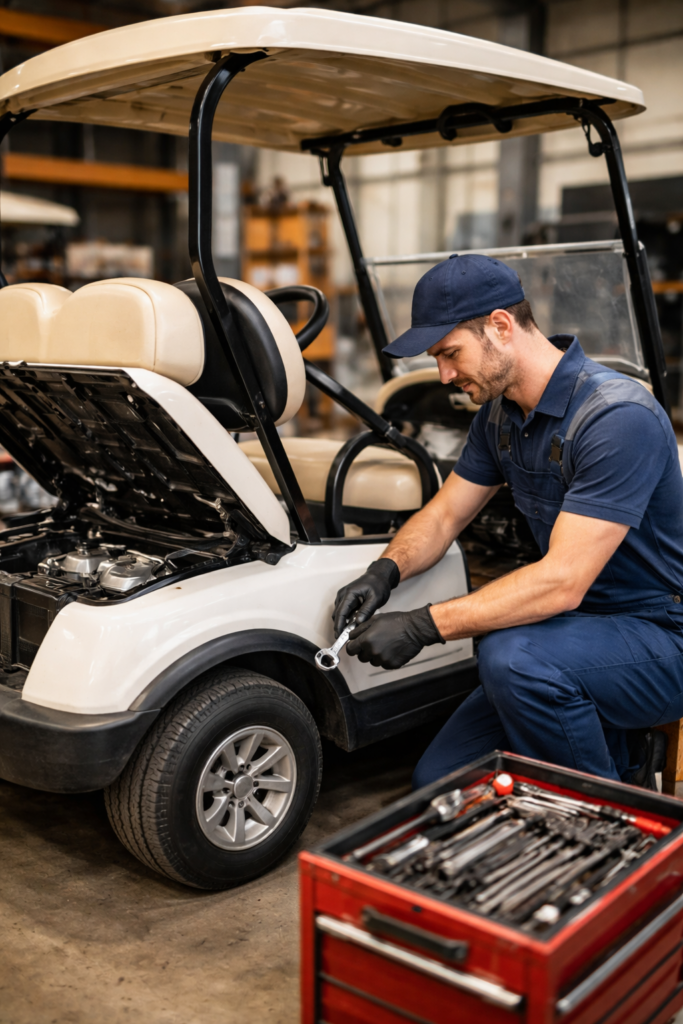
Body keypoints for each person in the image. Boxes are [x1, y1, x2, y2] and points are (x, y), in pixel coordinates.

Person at [333, 253, 683, 790]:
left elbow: (562, 582)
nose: (446, 376)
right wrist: (383, 573)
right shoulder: (500, 418)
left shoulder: (616, 417)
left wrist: (423, 625)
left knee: (510, 656)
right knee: (443, 781)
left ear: (500, 326)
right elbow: (447, 513)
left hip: (658, 636)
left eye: (450, 354)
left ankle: (615, 816)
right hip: (571, 635)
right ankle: (606, 743)